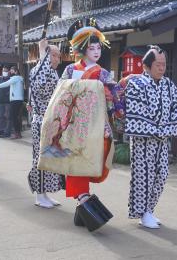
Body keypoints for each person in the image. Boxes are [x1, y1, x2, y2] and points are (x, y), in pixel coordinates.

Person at [39, 18, 124, 231]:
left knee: (95, 156)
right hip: (73, 124)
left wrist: (116, 103)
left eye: (98, 47)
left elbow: (114, 95)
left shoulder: (103, 73)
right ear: (82, 49)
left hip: (96, 124)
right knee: (75, 159)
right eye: (91, 47)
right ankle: (84, 198)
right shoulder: (70, 70)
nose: (96, 51)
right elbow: (61, 94)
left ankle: (81, 207)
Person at [125, 45, 177, 229]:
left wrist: (166, 130)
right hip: (143, 141)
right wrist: (159, 130)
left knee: (162, 174)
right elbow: (136, 114)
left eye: (164, 64)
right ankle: (143, 213)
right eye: (158, 64)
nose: (162, 68)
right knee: (144, 176)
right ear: (146, 66)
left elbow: (176, 109)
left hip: (162, 141)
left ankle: (150, 209)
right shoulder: (136, 84)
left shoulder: (169, 85)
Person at [27, 38, 65, 208]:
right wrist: (43, 55)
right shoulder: (38, 70)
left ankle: (45, 193)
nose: (57, 59)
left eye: (58, 56)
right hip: (41, 119)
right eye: (54, 55)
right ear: (45, 55)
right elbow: (41, 86)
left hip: (51, 120)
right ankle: (39, 195)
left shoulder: (53, 72)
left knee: (50, 157)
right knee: (40, 157)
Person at [0, 66, 24, 139]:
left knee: (13, 117)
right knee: (15, 117)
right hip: (18, 99)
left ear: (16, 71)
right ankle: (17, 133)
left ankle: (17, 133)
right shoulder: (19, 78)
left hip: (15, 100)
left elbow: (6, 83)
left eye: (12, 70)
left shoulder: (16, 78)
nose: (10, 72)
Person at [0, 66, 11, 138]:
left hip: (8, 102)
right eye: (4, 71)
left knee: (7, 116)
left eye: (6, 71)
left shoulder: (11, 79)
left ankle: (7, 131)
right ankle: (1, 130)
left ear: (8, 72)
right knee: (0, 116)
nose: (5, 72)